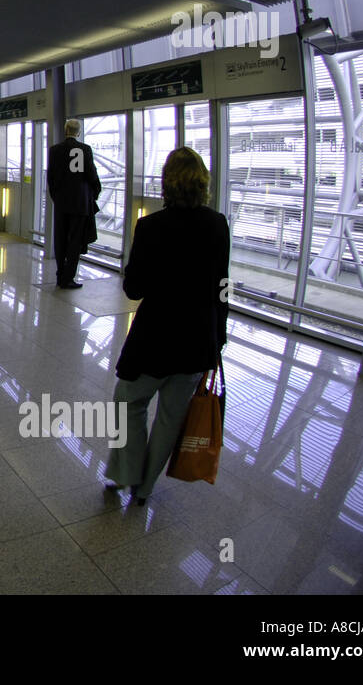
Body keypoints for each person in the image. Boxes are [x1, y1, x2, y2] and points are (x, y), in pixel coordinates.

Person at [105, 147, 229, 506]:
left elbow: (134, 289)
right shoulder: (218, 225)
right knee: (171, 418)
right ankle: (145, 490)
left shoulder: (150, 227)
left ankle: (127, 473)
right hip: (197, 342)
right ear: (203, 183)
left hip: (154, 340)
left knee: (128, 402)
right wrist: (217, 338)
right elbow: (223, 287)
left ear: (167, 184)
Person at [47, 118, 101, 289]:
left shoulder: (55, 150)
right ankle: (68, 277)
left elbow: (51, 177)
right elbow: (91, 173)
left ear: (65, 130)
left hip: (62, 202)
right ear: (78, 132)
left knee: (61, 237)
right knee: (75, 240)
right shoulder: (85, 150)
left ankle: (59, 273)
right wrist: (96, 191)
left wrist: (55, 196)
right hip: (80, 202)